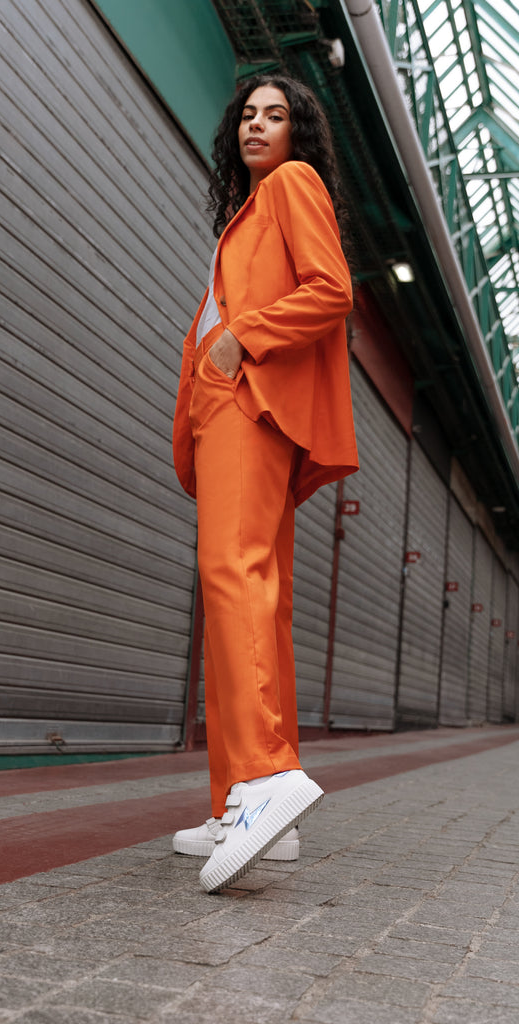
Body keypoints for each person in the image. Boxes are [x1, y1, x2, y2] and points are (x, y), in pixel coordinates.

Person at [171, 73, 358, 893]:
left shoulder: (291, 183)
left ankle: (261, 780)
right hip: (231, 404)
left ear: (298, 133)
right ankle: (239, 805)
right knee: (256, 593)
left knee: (232, 576)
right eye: (246, 114)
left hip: (249, 400)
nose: (256, 125)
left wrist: (240, 340)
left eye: (275, 116)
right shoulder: (243, 213)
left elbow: (331, 290)